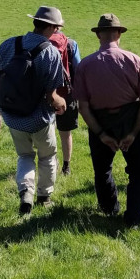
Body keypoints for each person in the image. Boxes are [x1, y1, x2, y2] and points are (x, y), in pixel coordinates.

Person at [74, 14, 140, 227]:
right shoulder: (134, 60)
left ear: (98, 35)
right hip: (130, 119)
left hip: (99, 120)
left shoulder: (84, 65)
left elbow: (83, 107)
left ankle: (109, 210)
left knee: (102, 170)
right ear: (119, 33)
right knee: (137, 171)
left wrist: (101, 134)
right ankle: (134, 217)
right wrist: (133, 132)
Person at [0, 6, 67, 216]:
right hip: (39, 119)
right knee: (47, 156)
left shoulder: (8, 45)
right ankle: (44, 196)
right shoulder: (51, 52)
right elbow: (52, 97)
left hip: (12, 117)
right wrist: (62, 103)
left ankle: (25, 193)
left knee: (24, 155)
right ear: (52, 27)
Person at [47, 19, 81, 175]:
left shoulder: (41, 44)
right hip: (66, 94)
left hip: (46, 94)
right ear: (60, 27)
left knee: (47, 130)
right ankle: (66, 166)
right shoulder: (71, 44)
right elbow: (79, 68)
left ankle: (49, 162)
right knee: (65, 132)